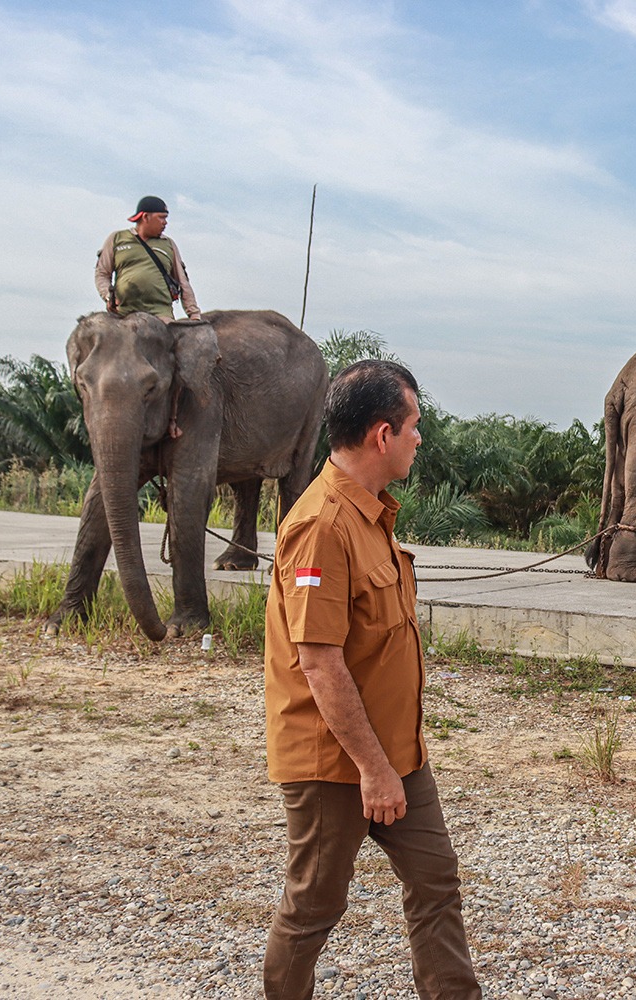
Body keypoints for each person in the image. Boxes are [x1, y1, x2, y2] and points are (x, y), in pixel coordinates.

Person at [263, 359, 481, 1000]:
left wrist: (392, 764)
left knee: (436, 878)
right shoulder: (322, 526)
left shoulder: (370, 516)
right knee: (313, 908)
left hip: (394, 754)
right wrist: (374, 769)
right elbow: (319, 662)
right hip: (338, 763)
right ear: (382, 434)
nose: (420, 438)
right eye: (415, 426)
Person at [94, 195, 203, 321]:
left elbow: (182, 281)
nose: (165, 222)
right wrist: (109, 297)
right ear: (145, 217)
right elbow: (102, 273)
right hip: (124, 313)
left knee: (169, 338)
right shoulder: (117, 238)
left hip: (160, 313)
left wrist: (194, 314)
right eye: (161, 217)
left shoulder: (168, 244)